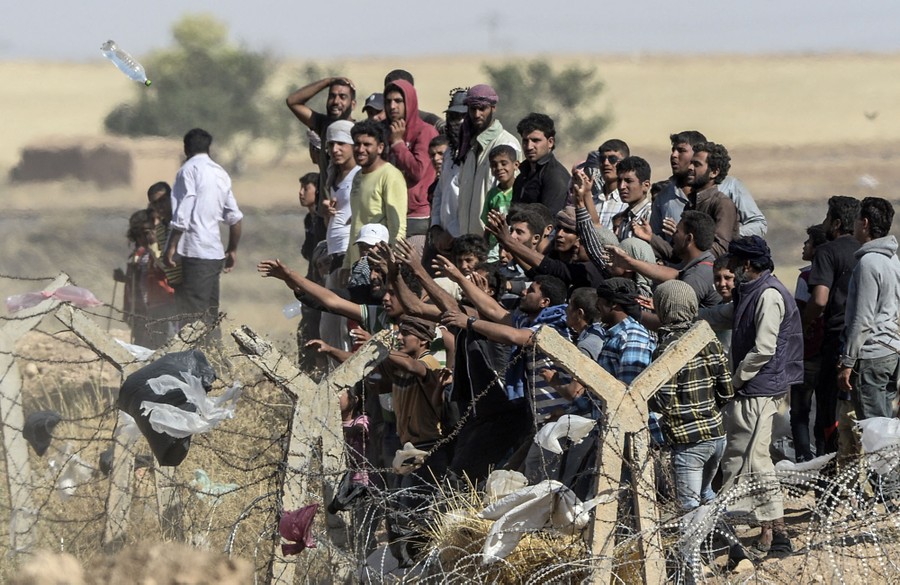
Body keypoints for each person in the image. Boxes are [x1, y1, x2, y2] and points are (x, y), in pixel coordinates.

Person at [708, 236, 803, 556]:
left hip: (759, 389)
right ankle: (761, 531)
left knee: (754, 461)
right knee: (745, 459)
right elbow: (721, 316)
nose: (731, 270)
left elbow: (764, 348)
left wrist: (734, 381)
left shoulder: (769, 295)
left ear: (746, 265)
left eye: (735, 264)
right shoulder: (751, 292)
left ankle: (775, 534)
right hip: (753, 389)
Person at [649, 280, 733, 513]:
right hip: (716, 435)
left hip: (689, 440)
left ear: (663, 307)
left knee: (689, 508)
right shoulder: (709, 339)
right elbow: (727, 391)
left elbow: (663, 401)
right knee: (707, 496)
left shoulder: (667, 348)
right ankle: (727, 534)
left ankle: (695, 541)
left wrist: (643, 399)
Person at [837, 198, 900, 487]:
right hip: (891, 351)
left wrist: (847, 360)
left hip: (872, 354)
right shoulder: (892, 259)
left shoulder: (869, 263)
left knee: (875, 432)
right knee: (886, 427)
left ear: (864, 223)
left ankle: (887, 493)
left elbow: (862, 319)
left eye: (856, 220)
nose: (853, 225)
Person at [164, 128, 243, 337]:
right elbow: (235, 218)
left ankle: (199, 356)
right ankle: (214, 355)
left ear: (186, 149)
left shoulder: (187, 171)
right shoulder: (220, 173)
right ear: (209, 148)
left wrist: (171, 246)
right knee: (210, 316)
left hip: (195, 252)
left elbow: (183, 212)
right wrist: (232, 249)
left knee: (193, 319)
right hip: (214, 254)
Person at [802, 196, 860, 455]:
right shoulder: (866, 251)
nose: (824, 223)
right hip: (866, 342)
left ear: (836, 223)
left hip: (836, 338)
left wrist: (804, 322)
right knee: (857, 413)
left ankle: (830, 469)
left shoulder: (827, 252)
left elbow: (820, 300)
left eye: (827, 218)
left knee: (828, 410)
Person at [286, 76, 357, 240]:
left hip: (349, 216)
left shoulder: (359, 132)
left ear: (353, 104)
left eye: (342, 97)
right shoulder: (324, 125)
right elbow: (293, 101)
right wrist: (328, 81)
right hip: (324, 213)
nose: (336, 101)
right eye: (332, 96)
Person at [454, 84, 523, 236]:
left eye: (482, 108)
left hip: (494, 240)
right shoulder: (469, 147)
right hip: (467, 239)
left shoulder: (506, 144)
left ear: (493, 108)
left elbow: (512, 195)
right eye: (473, 109)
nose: (477, 114)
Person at [343, 120, 408, 271]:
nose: (360, 149)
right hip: (357, 262)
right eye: (357, 144)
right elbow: (356, 223)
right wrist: (347, 263)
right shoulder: (357, 176)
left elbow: (398, 226)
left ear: (380, 147)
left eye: (367, 144)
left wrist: (393, 264)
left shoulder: (390, 175)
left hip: (378, 263)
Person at [383, 80, 439, 253]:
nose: (392, 106)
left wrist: (398, 144)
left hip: (417, 217)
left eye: (398, 101)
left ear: (410, 102)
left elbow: (417, 171)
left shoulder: (425, 131)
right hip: (390, 213)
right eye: (388, 101)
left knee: (410, 265)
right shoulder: (385, 131)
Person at [791, 224, 827, 462]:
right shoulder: (837, 273)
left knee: (800, 411)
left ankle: (804, 458)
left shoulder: (806, 277)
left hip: (807, 353)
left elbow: (800, 314)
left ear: (817, 249)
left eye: (808, 242)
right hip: (829, 352)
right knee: (824, 410)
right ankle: (825, 458)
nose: (804, 246)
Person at [511, 113, 570, 215]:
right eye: (525, 141)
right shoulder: (524, 173)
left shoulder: (555, 176)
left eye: (535, 140)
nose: (529, 147)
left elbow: (549, 218)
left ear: (550, 142)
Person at [482, 144, 519, 256]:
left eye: (504, 163)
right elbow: (488, 224)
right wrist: (484, 246)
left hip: (516, 245)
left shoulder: (521, 190)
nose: (499, 168)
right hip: (494, 250)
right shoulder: (492, 194)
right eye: (494, 165)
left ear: (516, 165)